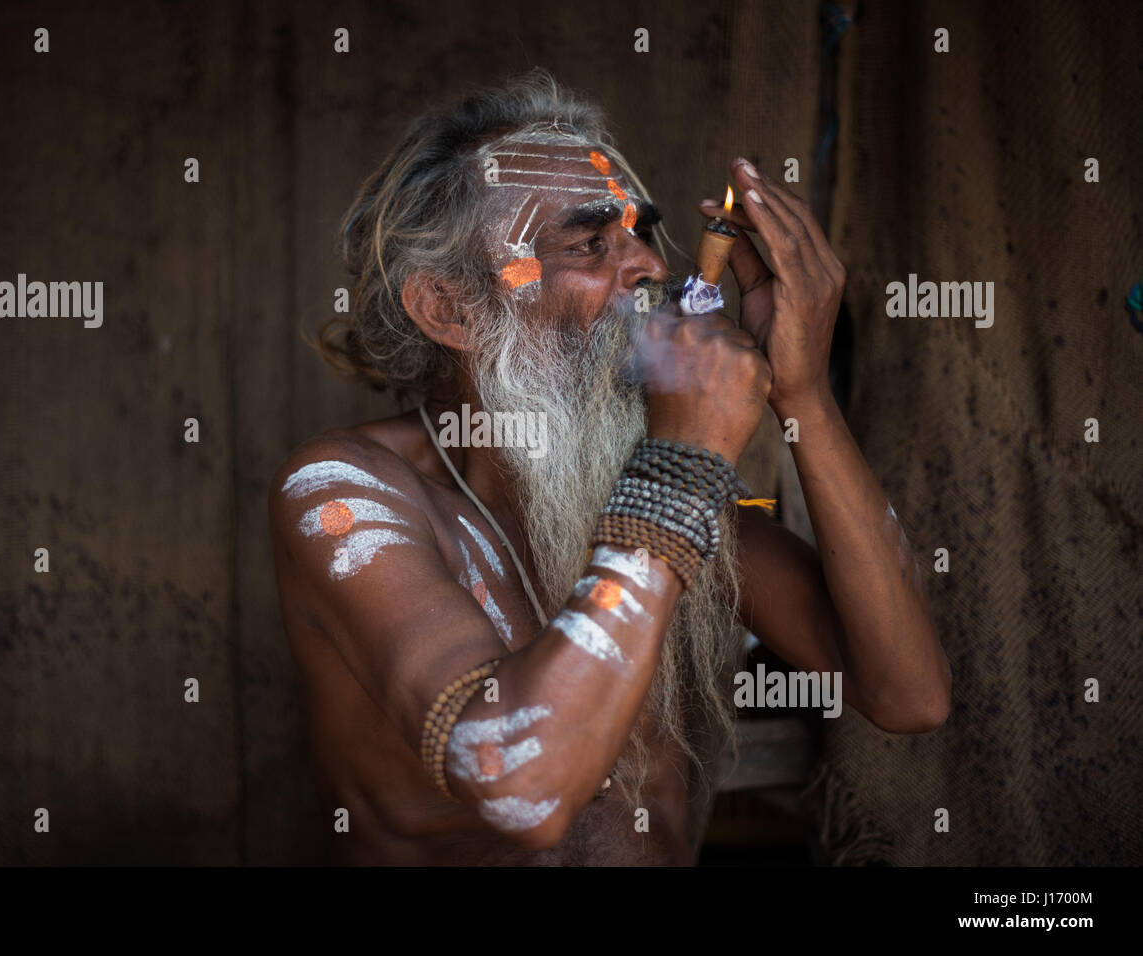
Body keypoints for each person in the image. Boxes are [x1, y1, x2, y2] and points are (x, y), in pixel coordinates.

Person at [267, 69, 950, 865]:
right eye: (590, 242)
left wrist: (803, 395)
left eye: (641, 234)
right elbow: (523, 788)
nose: (652, 268)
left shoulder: (650, 473)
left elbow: (908, 693)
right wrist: (684, 458)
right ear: (451, 309)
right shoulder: (343, 493)